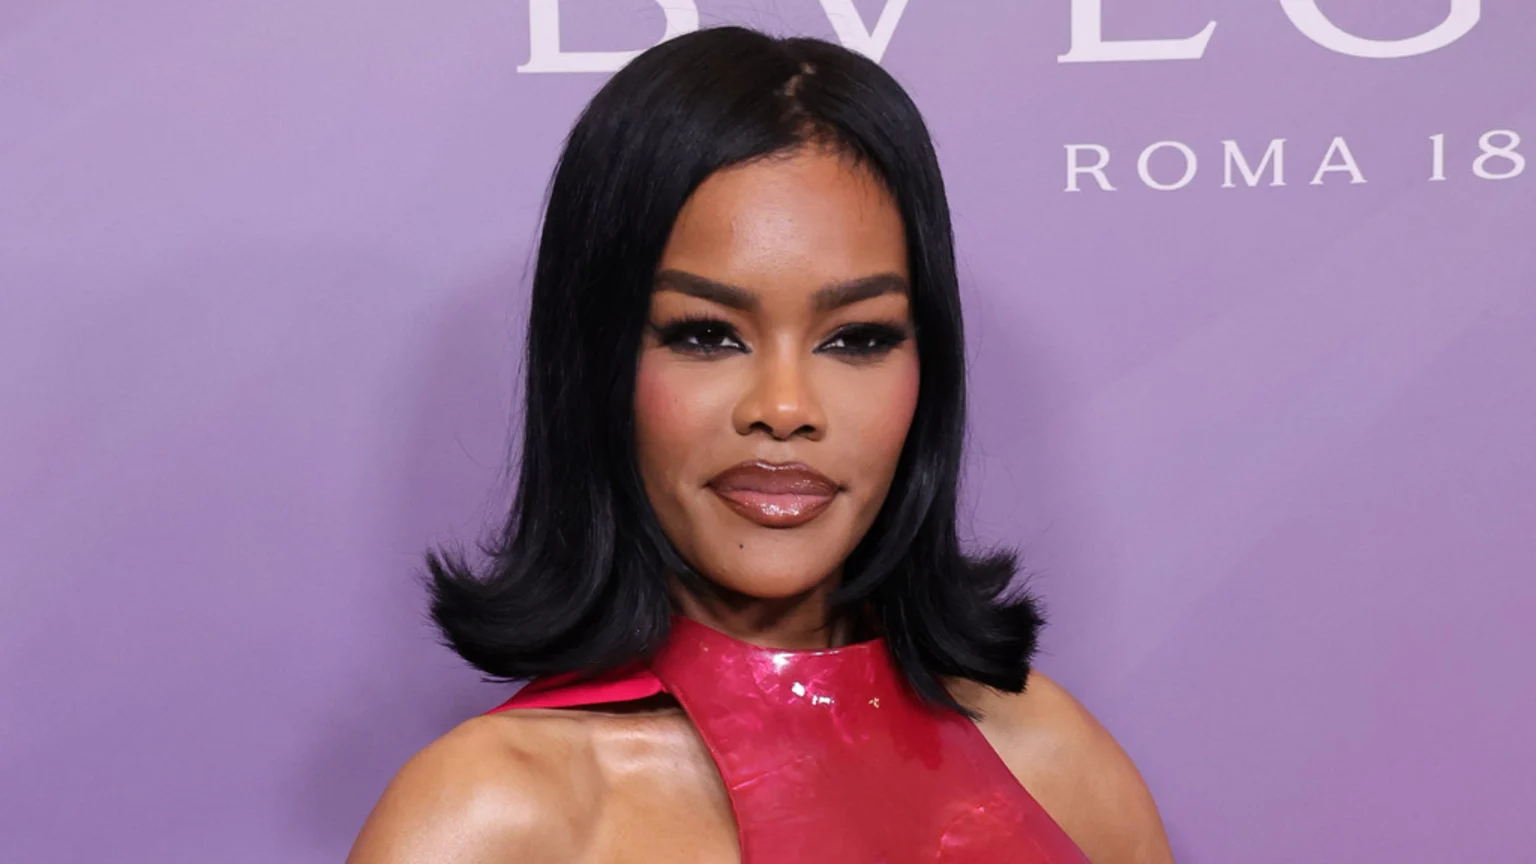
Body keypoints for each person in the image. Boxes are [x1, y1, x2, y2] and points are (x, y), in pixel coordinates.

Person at [347, 25, 1174, 864]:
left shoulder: (1058, 770)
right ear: (596, 364)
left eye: (857, 338)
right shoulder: (488, 821)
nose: (785, 408)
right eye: (706, 335)